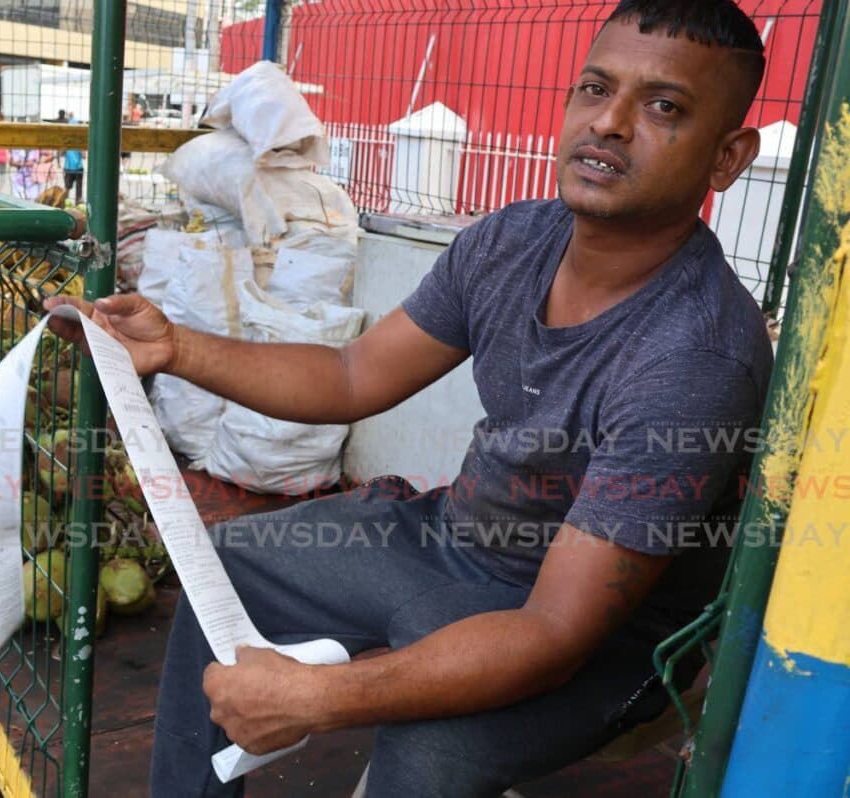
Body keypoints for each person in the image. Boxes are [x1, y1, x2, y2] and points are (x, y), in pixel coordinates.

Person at [45, 1, 772, 795]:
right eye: (596, 89)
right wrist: (176, 348)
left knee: (426, 759)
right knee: (234, 566)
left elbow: (554, 632)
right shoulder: (510, 242)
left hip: (597, 638)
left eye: (664, 107)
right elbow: (353, 376)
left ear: (728, 156)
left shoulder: (696, 355)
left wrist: (318, 700)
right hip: (455, 544)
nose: (613, 123)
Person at [63, 112, 85, 204]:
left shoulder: (66, 140)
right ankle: (78, 203)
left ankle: (64, 203)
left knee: (67, 188)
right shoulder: (80, 140)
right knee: (79, 189)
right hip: (78, 167)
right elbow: (84, 155)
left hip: (68, 167)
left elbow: (62, 152)